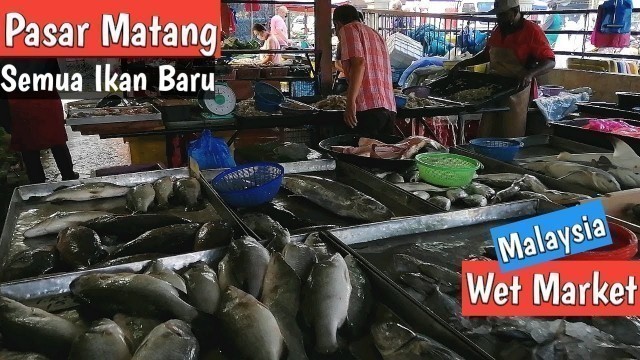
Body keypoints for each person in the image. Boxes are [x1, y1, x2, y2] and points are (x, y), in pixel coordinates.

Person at [451, 0, 555, 138]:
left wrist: (530, 74)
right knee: (487, 130)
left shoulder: (532, 31)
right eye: (498, 15)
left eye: (503, 15)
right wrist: (463, 63)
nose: (499, 19)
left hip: (516, 89)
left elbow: (550, 61)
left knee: (511, 133)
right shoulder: (498, 30)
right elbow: (487, 54)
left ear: (515, 11)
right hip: (494, 88)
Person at [4, 59, 78, 184]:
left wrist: (6, 120)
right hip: (45, 99)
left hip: (19, 102)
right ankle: (68, 175)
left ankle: (37, 184)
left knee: (28, 147)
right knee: (57, 141)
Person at [334, 4, 396, 137]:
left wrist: (350, 103)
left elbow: (359, 64)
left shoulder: (348, 29)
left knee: (361, 154)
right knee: (381, 154)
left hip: (367, 109)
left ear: (337, 24)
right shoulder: (375, 33)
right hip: (389, 108)